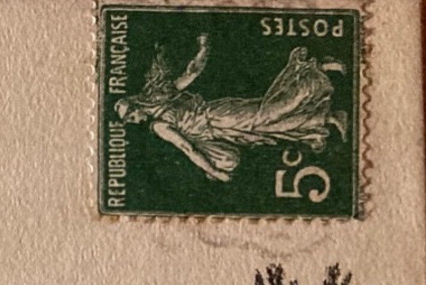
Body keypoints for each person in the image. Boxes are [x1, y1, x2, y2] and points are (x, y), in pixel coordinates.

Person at [115, 35, 348, 182]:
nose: (134, 121)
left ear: (137, 105)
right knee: (269, 127)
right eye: (130, 121)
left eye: (131, 116)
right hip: (221, 128)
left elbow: (188, 148)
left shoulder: (159, 124)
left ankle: (316, 69)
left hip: (218, 116)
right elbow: (192, 74)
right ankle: (328, 119)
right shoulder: (161, 107)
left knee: (268, 114)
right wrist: (202, 50)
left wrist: (216, 173)